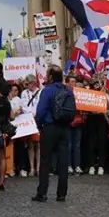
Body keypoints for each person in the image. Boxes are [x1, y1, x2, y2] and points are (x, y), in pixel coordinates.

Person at [32, 66, 74, 203]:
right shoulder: (68, 90)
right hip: (65, 128)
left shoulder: (47, 91)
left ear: (50, 77)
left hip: (49, 128)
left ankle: (42, 193)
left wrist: (38, 125)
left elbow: (41, 111)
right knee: (63, 162)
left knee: (45, 161)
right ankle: (62, 194)